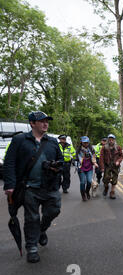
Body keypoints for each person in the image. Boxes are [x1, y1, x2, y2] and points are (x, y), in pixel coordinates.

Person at [3, 111, 63, 263]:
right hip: (29, 187)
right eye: (41, 121)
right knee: (32, 218)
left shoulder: (52, 142)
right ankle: (32, 248)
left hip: (50, 187)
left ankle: (41, 230)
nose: (45, 123)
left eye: (47, 121)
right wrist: (9, 185)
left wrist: (56, 167)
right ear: (32, 123)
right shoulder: (19, 140)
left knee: (54, 211)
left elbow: (61, 161)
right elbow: (9, 163)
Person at [100, 134, 123, 199]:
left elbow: (121, 156)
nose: (111, 141)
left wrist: (118, 161)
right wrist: (102, 167)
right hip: (107, 165)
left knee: (114, 180)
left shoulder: (118, 147)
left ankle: (112, 192)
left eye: (112, 139)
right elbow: (101, 158)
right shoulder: (104, 147)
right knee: (106, 179)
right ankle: (106, 187)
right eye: (109, 139)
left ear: (114, 140)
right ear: (108, 140)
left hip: (115, 166)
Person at [76, 136, 98, 201]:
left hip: (89, 167)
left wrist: (95, 163)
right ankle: (83, 195)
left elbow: (93, 156)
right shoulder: (78, 149)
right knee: (83, 182)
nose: (85, 144)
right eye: (84, 142)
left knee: (89, 181)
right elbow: (76, 159)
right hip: (81, 167)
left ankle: (87, 192)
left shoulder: (91, 148)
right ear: (81, 142)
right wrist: (77, 166)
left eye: (87, 142)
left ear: (88, 142)